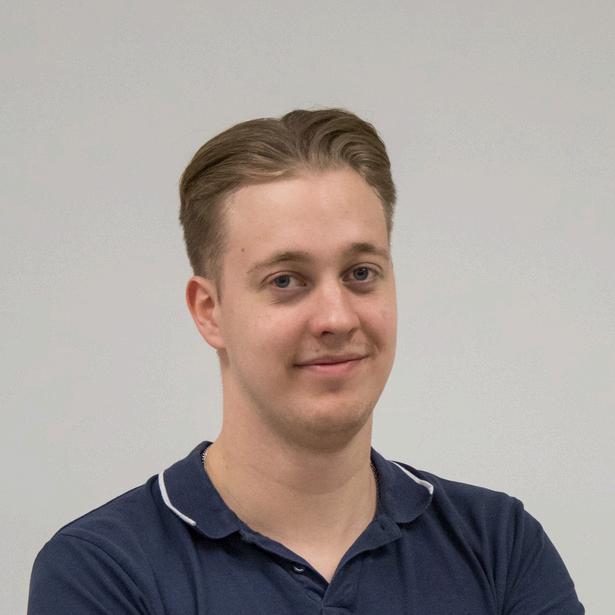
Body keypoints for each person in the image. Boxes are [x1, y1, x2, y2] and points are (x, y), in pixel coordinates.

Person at [28, 108, 584, 614]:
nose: (336, 318)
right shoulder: (103, 571)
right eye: (286, 281)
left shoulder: (500, 546)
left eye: (360, 273)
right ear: (209, 311)